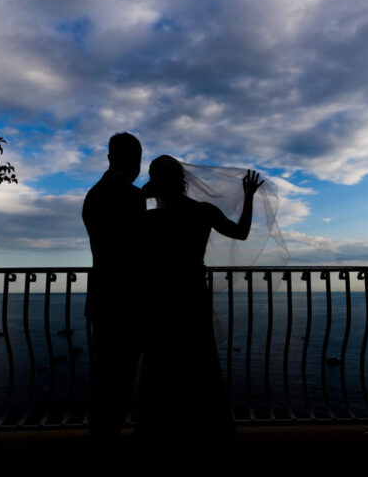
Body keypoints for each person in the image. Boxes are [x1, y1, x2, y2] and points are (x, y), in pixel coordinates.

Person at [135, 155, 264, 446]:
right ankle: (207, 433)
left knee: (160, 368)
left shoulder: (148, 218)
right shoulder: (202, 211)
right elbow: (240, 233)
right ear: (182, 180)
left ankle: (158, 433)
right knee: (199, 364)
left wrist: (142, 195)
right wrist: (248, 196)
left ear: (155, 183)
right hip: (192, 295)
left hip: (159, 300)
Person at [82, 132, 146, 448]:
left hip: (102, 298)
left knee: (103, 379)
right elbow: (141, 250)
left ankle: (100, 440)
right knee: (121, 381)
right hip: (128, 302)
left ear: (110, 158)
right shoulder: (133, 198)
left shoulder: (93, 195)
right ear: (135, 161)